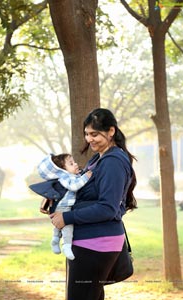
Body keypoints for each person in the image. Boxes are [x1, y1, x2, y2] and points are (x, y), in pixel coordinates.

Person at [50, 108, 137, 300]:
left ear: (111, 131)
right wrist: (54, 199)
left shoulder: (112, 162)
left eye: (94, 134)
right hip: (88, 240)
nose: (89, 139)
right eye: (87, 134)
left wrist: (67, 217)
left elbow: (107, 208)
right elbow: (80, 191)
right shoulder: (98, 159)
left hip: (97, 243)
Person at [37, 153, 92, 260]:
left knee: (59, 225)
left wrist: (79, 174)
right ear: (62, 169)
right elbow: (74, 186)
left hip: (61, 206)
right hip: (63, 207)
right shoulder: (64, 177)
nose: (75, 164)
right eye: (71, 164)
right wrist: (85, 177)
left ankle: (55, 239)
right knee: (68, 226)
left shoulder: (68, 176)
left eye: (74, 162)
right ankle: (67, 246)